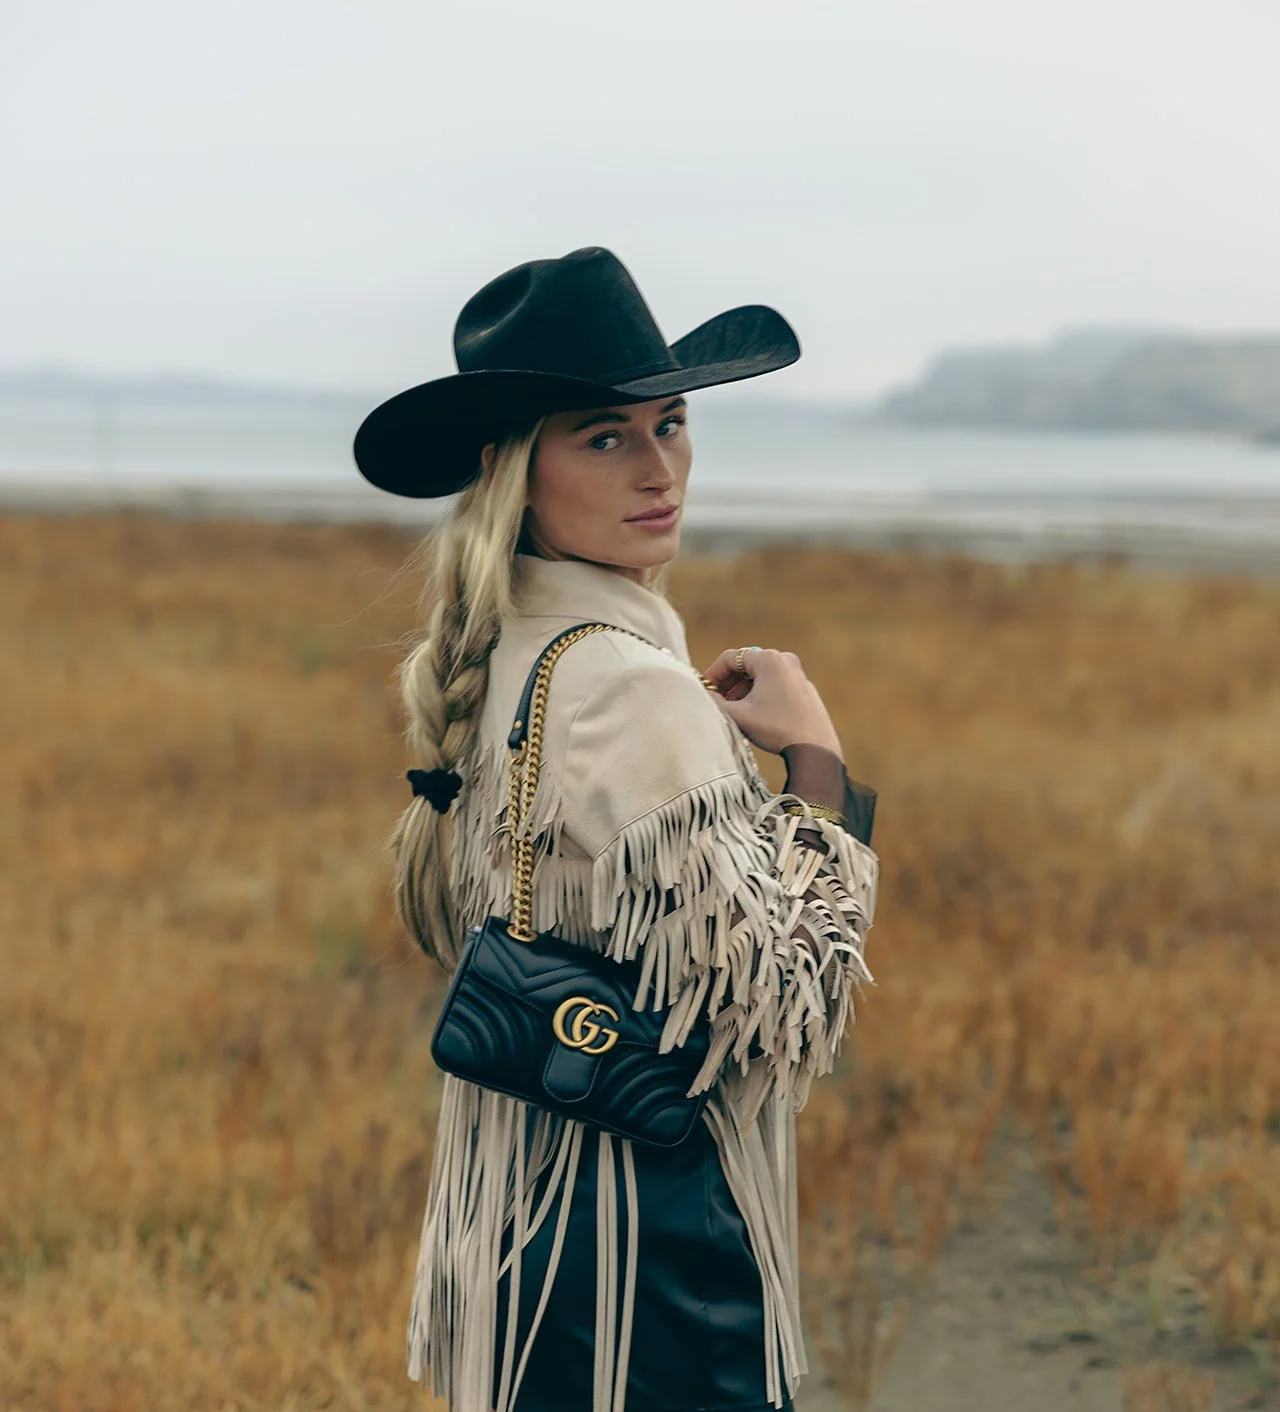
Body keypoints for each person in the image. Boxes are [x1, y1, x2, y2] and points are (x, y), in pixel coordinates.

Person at [353, 246, 880, 1412]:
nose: (659, 468)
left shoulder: (498, 659)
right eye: (604, 435)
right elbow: (787, 1007)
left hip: (516, 1217)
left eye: (672, 423)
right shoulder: (632, 688)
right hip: (643, 1240)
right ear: (510, 470)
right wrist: (816, 762)